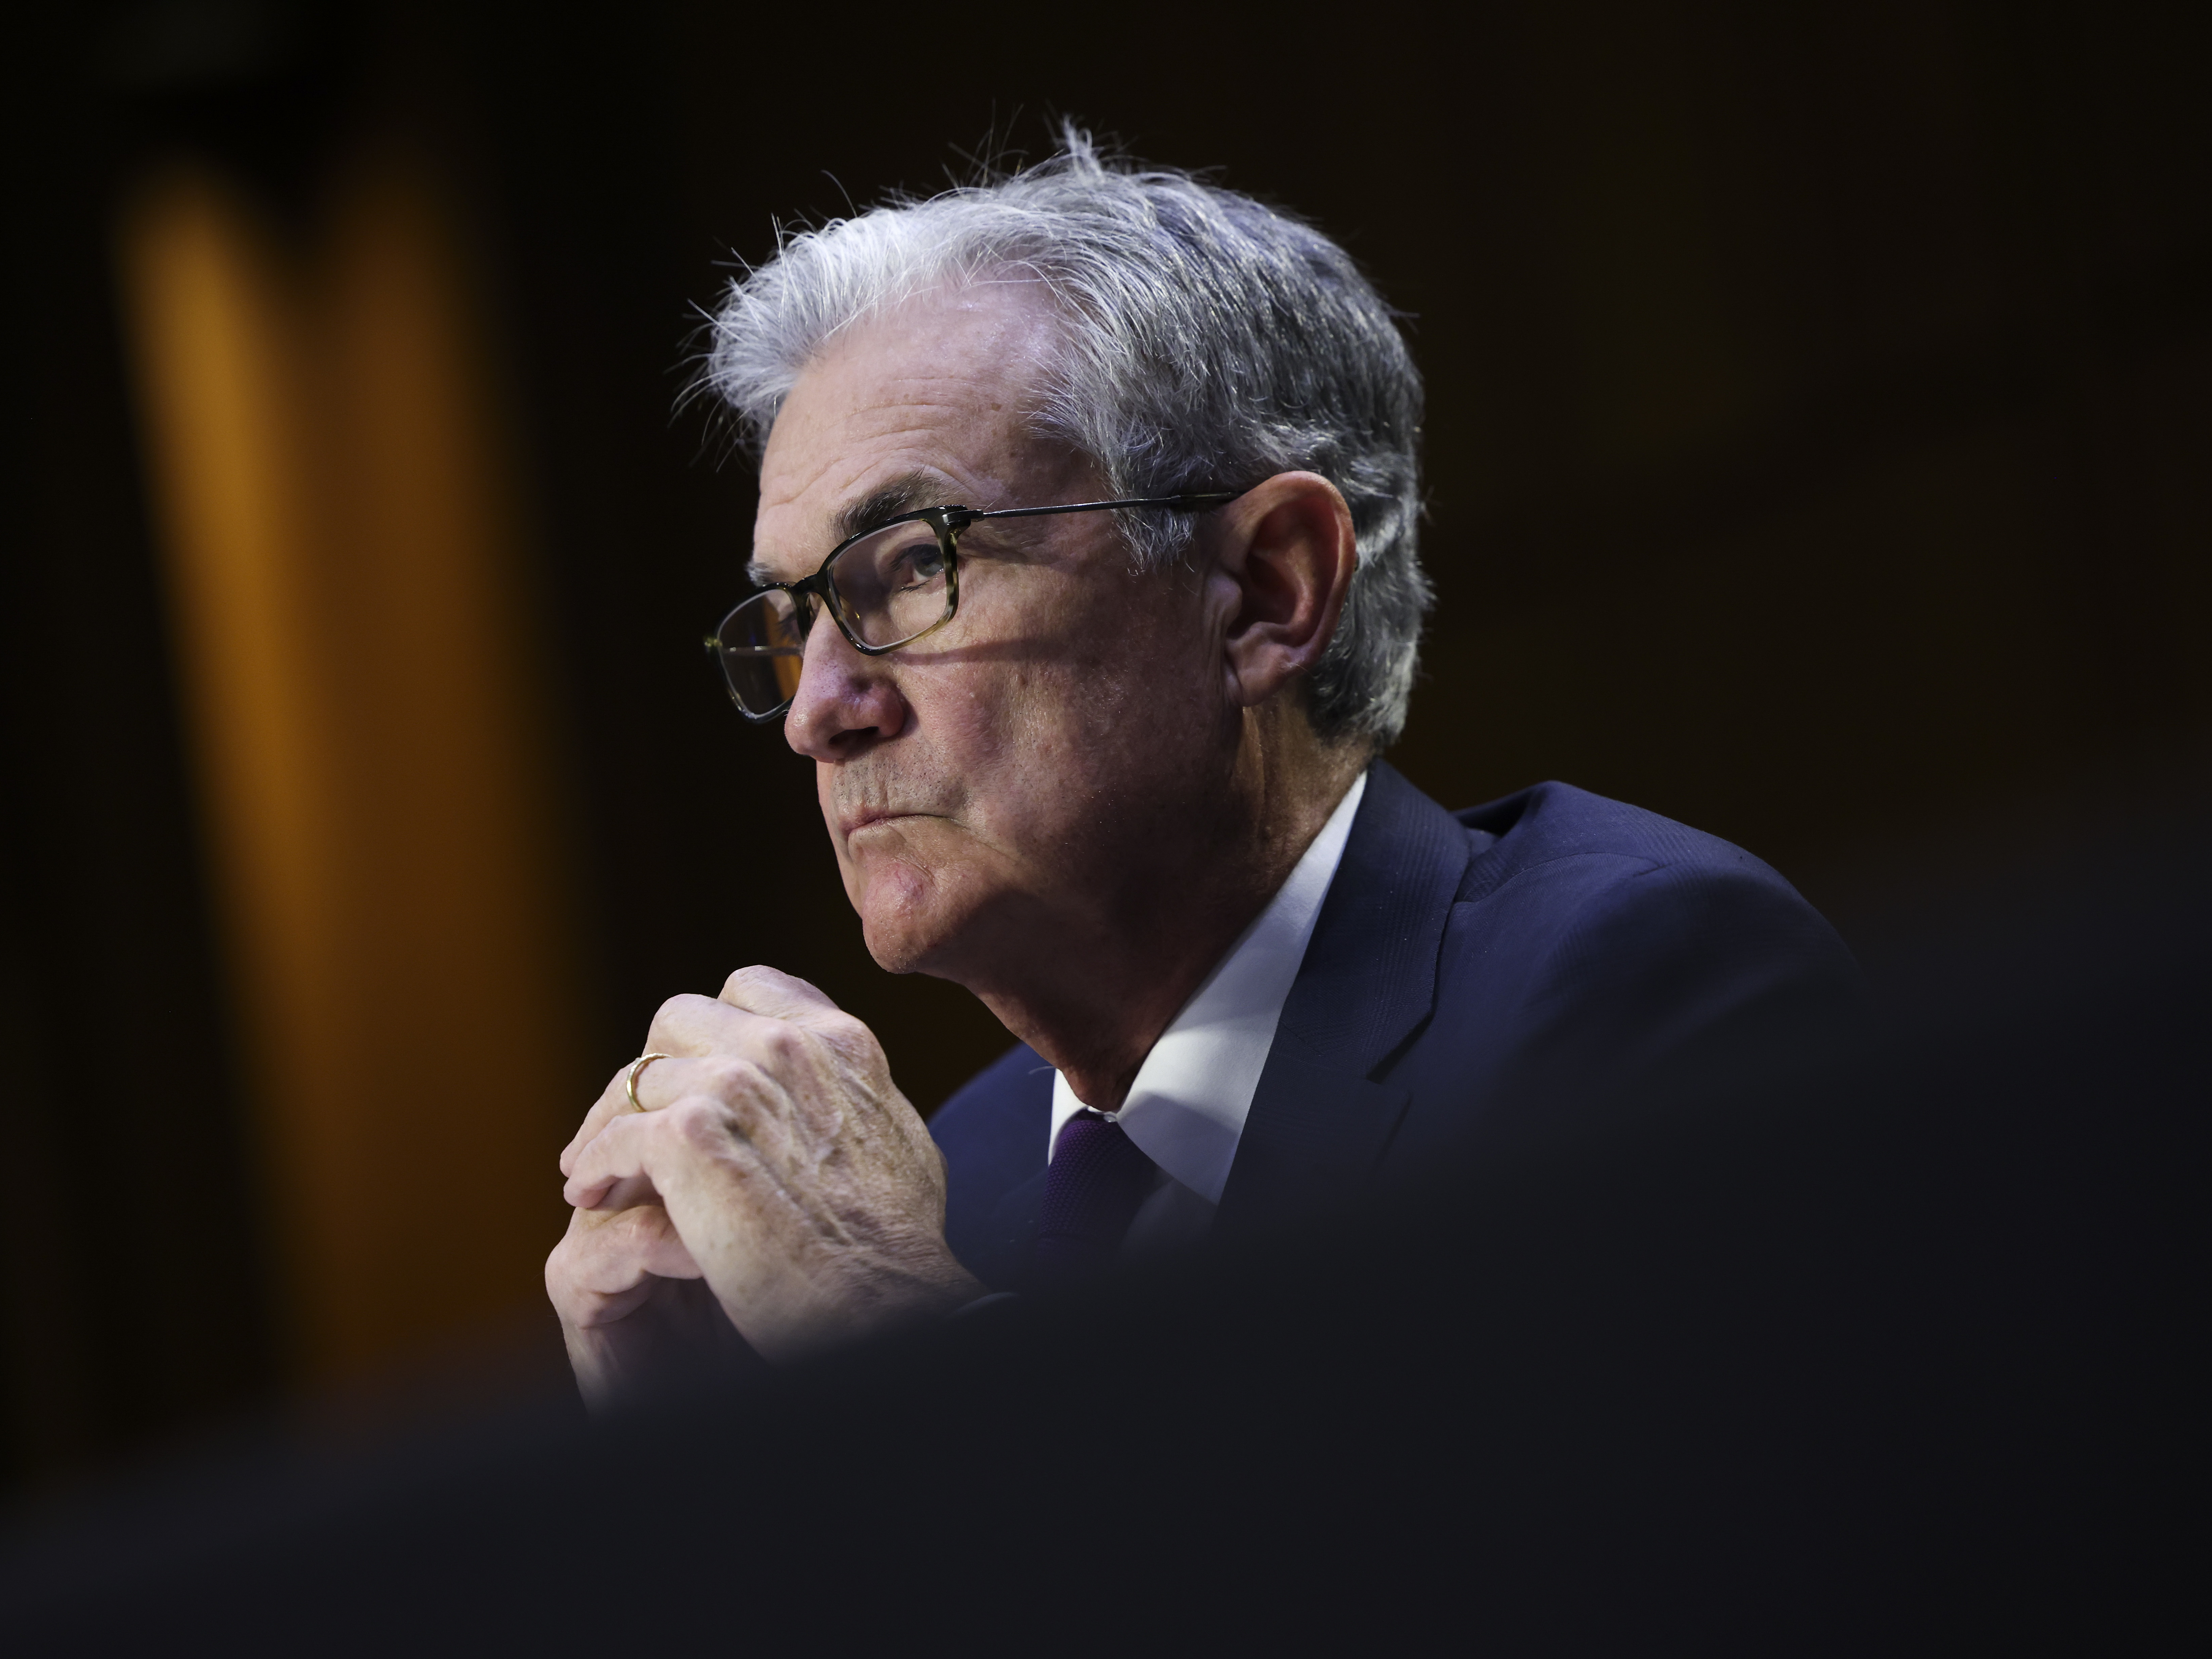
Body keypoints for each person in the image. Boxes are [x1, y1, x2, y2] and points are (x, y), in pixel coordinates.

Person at [545, 135, 1861, 1407]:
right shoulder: (950, 1176)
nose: (817, 711)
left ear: (1262, 591)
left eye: (917, 562)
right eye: (794, 617)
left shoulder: (1634, 999)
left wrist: (901, 1345)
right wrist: (722, 1480)